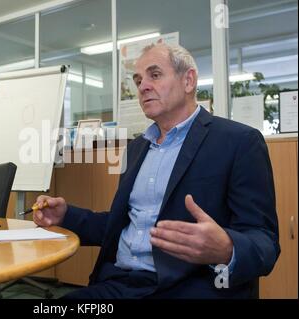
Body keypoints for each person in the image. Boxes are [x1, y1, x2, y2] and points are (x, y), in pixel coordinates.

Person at [33, 43, 280, 299]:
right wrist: (66, 216)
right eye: (138, 80)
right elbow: (124, 224)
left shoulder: (239, 142)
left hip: (192, 287)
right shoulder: (136, 149)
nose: (142, 87)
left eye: (155, 75)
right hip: (120, 284)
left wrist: (228, 248)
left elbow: (264, 241)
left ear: (188, 80)